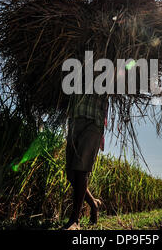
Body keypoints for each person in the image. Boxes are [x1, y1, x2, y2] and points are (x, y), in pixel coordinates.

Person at [62, 93, 108, 230]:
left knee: (81, 170)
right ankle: (93, 203)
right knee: (70, 173)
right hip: (75, 118)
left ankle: (74, 220)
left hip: (94, 122)